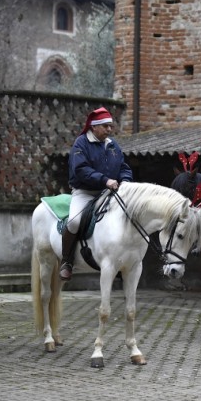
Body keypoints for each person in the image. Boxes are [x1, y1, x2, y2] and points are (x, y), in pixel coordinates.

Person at [59, 107, 133, 280]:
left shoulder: (113, 145)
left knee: (124, 217)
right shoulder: (81, 143)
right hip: (85, 192)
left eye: (111, 126)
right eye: (105, 126)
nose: (109, 129)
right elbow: (80, 169)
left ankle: (119, 261)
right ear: (94, 127)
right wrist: (105, 180)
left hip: (108, 193)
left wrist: (126, 181)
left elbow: (123, 167)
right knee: (74, 222)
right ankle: (67, 261)